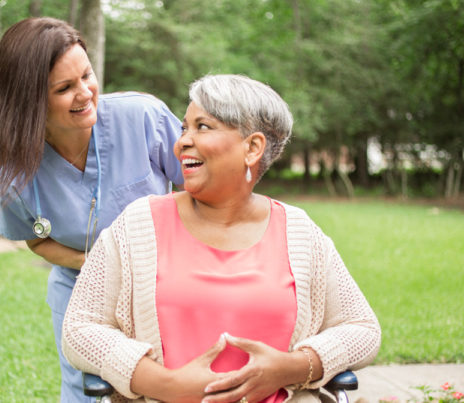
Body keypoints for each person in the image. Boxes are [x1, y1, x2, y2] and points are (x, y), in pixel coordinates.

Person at [61, 74, 381, 403]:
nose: (182, 141)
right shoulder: (137, 225)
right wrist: (164, 384)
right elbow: (81, 329)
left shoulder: (299, 232)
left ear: (252, 147)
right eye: (185, 127)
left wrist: (296, 366)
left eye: (203, 127)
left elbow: (362, 328)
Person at [0, 17, 184, 402]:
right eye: (65, 88)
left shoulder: (143, 118)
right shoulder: (13, 173)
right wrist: (93, 263)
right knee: (87, 389)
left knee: (168, 384)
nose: (85, 92)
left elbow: (205, 188)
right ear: (29, 100)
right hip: (81, 292)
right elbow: (36, 241)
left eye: (87, 75)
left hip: (166, 285)